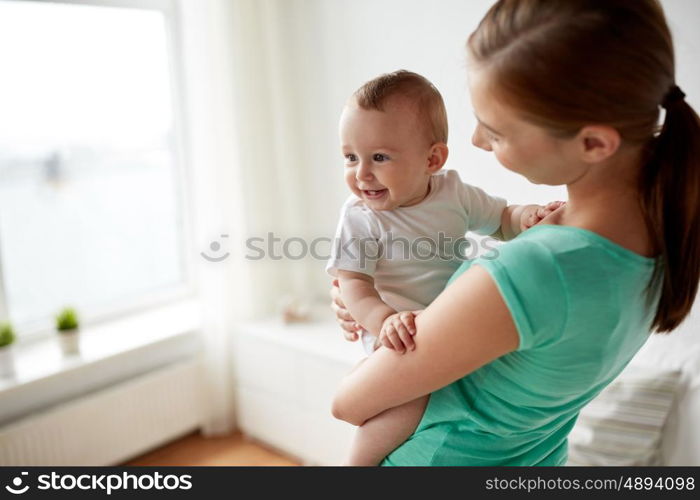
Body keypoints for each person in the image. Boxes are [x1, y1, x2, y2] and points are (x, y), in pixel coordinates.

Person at [330, 0, 700, 466]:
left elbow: (348, 404)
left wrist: (380, 317)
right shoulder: (659, 242)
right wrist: (366, 299)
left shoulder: (534, 271)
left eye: (496, 130)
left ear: (592, 143)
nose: (478, 142)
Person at [326, 70, 561, 465]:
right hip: (399, 335)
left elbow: (502, 217)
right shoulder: (360, 217)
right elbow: (352, 283)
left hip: (448, 323)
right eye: (351, 157)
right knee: (409, 402)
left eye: (379, 157)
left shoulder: (453, 192)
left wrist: (530, 215)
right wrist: (385, 319)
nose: (361, 173)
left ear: (432, 159)